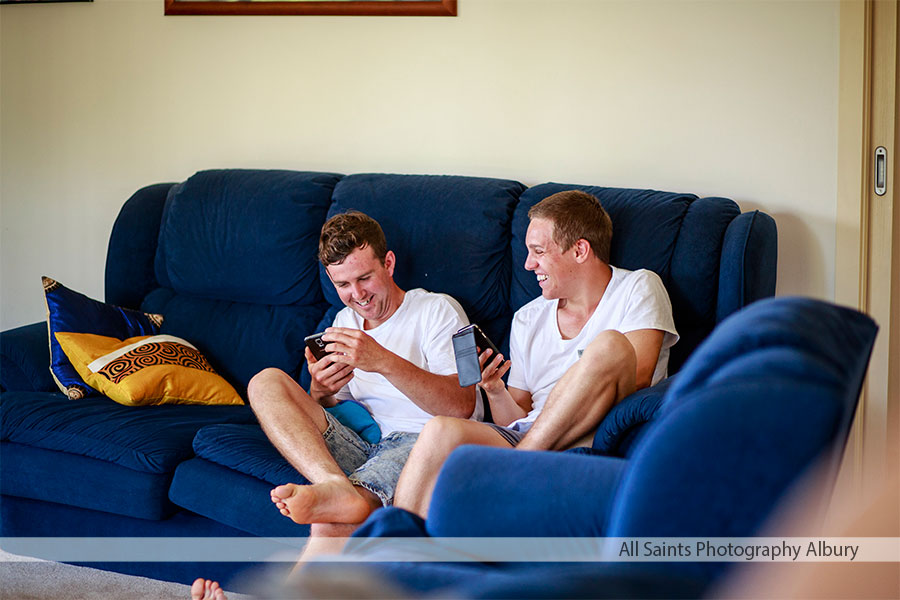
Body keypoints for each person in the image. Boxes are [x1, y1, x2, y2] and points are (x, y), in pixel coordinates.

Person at [393, 190, 679, 517]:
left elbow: (640, 375)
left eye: (538, 251)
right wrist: (496, 390)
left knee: (609, 345)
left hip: (590, 430)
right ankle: (394, 543)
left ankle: (516, 466)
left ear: (580, 250)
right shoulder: (527, 318)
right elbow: (517, 419)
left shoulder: (638, 287)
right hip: (531, 438)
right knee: (439, 430)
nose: (529, 264)